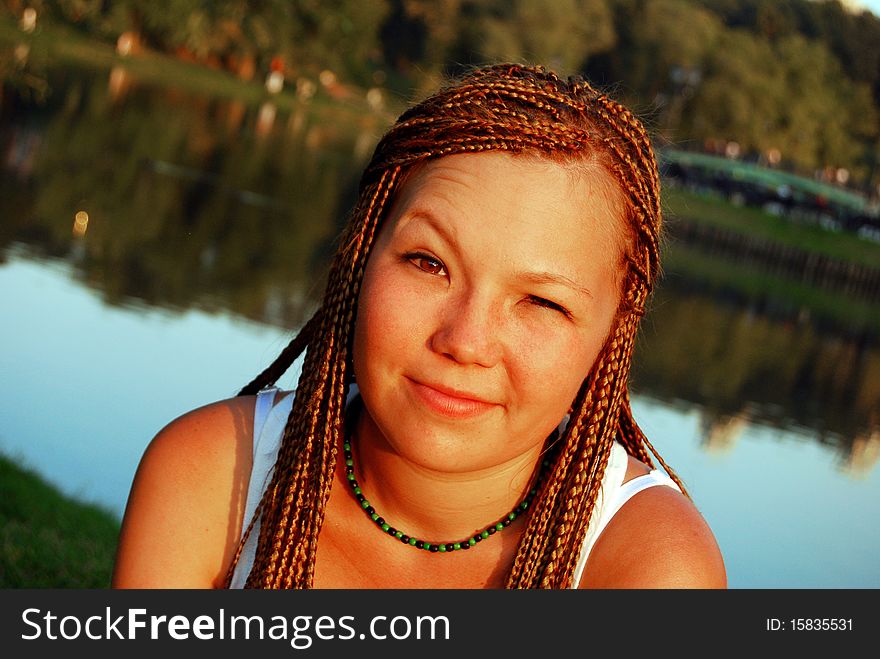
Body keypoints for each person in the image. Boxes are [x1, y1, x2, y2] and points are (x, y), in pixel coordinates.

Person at [111, 63, 726, 589]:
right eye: (429, 263)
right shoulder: (213, 477)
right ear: (361, 255)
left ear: (612, 334)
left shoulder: (648, 569)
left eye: (541, 301)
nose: (464, 341)